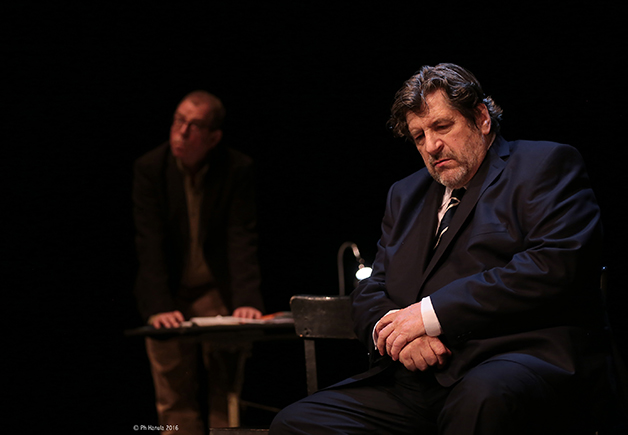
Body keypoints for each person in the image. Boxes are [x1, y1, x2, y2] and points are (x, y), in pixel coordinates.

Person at [270, 63, 606, 434]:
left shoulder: (542, 165)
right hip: (417, 378)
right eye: (419, 136)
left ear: (481, 118)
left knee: (480, 400)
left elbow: (553, 263)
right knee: (296, 423)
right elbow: (371, 287)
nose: (431, 146)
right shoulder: (405, 194)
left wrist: (429, 315)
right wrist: (398, 337)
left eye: (442, 126)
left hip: (512, 361)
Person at [133, 90, 264, 434]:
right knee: (174, 397)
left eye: (194, 126)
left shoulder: (235, 168)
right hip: (170, 289)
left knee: (227, 394)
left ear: (213, 137)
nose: (182, 132)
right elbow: (149, 243)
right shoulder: (151, 168)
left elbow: (241, 237)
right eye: (179, 120)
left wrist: (246, 301)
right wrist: (158, 306)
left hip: (213, 289)